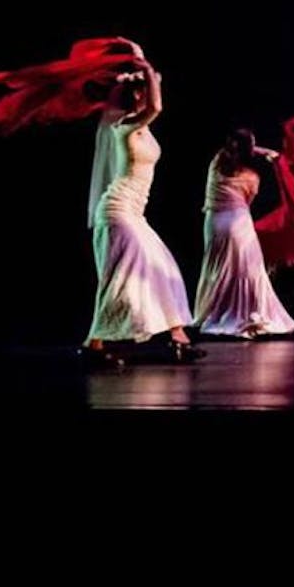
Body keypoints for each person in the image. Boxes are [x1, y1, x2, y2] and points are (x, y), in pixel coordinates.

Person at [83, 57, 203, 364]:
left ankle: (178, 337)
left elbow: (154, 102)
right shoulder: (123, 126)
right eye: (145, 90)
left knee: (165, 270)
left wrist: (145, 66)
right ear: (137, 95)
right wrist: (147, 69)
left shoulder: (142, 126)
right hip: (117, 210)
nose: (150, 95)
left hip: (134, 213)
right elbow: (157, 106)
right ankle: (93, 344)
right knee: (120, 277)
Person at [193, 129, 294, 338]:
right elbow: (247, 203)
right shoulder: (251, 178)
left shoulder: (216, 166)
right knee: (247, 271)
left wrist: (253, 149)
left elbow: (229, 151)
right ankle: (249, 311)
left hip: (215, 222)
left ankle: (215, 312)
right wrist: (266, 153)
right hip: (238, 221)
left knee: (217, 268)